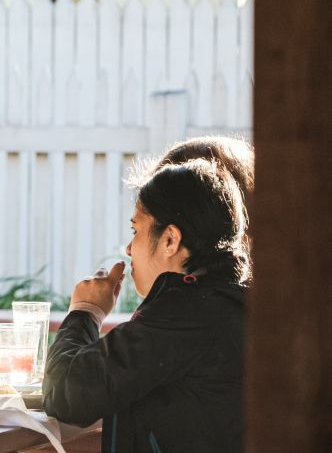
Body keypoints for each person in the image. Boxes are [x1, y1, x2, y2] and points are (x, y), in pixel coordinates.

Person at [43, 158, 249, 453]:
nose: (129, 249)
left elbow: (67, 393)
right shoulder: (234, 303)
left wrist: (85, 311)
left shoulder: (183, 317)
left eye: (136, 230)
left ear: (170, 240)